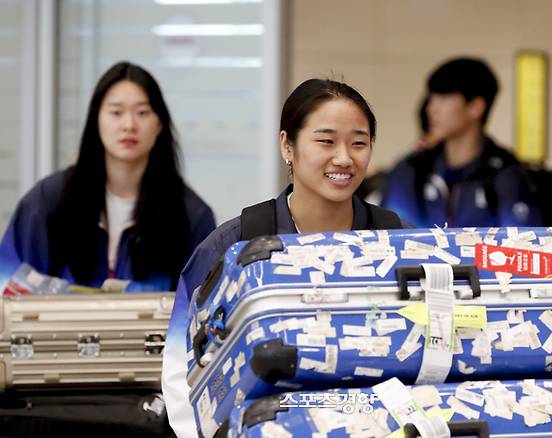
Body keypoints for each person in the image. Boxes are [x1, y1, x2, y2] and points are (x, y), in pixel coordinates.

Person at [162, 78, 408, 437]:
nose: (344, 158)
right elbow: (180, 364)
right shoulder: (236, 246)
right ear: (287, 146)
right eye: (326, 141)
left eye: (359, 143)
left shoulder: (400, 240)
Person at [0, 61, 216, 292]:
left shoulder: (190, 215)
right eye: (116, 112)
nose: (129, 125)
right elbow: (9, 284)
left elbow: (203, 309)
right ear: (96, 119)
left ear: (159, 124)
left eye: (142, 112)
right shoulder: (47, 202)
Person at [380, 57, 541, 228]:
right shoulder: (411, 170)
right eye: (432, 97)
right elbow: (393, 240)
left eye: (444, 97)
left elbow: (522, 247)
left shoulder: (506, 175)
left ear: (476, 107)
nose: (431, 108)